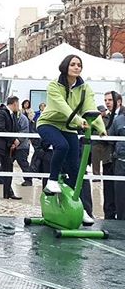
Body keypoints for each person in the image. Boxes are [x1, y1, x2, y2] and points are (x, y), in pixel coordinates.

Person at [36, 54, 106, 226]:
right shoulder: (54, 85)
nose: (76, 67)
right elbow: (62, 106)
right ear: (65, 66)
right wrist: (78, 121)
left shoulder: (85, 88)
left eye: (79, 65)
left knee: (76, 170)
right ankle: (52, 181)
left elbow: (90, 108)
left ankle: (79, 208)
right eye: (73, 64)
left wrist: (100, 127)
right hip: (49, 123)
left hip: (68, 126)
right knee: (61, 146)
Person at [0, 96, 21, 200]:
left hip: (7, 147)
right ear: (14, 104)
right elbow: (0, 129)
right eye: (18, 104)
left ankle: (8, 192)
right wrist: (13, 140)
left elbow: (15, 129)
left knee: (8, 169)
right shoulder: (1, 113)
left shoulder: (12, 114)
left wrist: (14, 140)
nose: (18, 107)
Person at [103, 92, 125, 219]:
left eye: (110, 100)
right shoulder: (106, 117)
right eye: (106, 100)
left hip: (118, 159)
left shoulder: (120, 117)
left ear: (119, 101)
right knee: (112, 192)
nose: (107, 102)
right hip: (109, 159)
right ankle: (111, 219)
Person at [14, 108, 34, 186]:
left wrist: (18, 141)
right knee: (7, 162)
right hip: (13, 145)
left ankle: (28, 180)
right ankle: (0, 178)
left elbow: (25, 131)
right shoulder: (11, 117)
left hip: (22, 146)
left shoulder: (23, 119)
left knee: (23, 163)